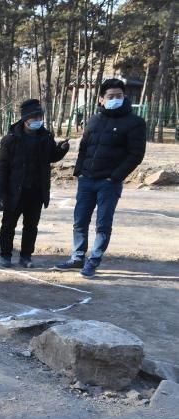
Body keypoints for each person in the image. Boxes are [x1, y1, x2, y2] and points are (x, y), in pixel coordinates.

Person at [55, 78, 147, 278]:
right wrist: (79, 171)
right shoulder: (95, 120)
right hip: (87, 180)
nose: (115, 99)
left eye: (119, 96)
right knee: (80, 221)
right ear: (101, 100)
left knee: (103, 224)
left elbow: (136, 155)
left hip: (109, 183)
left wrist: (114, 177)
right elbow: (85, 147)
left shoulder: (135, 123)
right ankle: (77, 257)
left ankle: (93, 261)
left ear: (125, 97)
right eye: (111, 96)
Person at [0, 99, 70, 268]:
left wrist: (62, 149)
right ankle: (5, 256)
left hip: (36, 191)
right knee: (8, 225)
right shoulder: (10, 140)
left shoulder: (46, 136)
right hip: (14, 191)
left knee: (31, 226)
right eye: (34, 117)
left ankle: (26, 256)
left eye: (40, 117)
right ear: (25, 119)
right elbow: (2, 169)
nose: (38, 121)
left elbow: (51, 157)